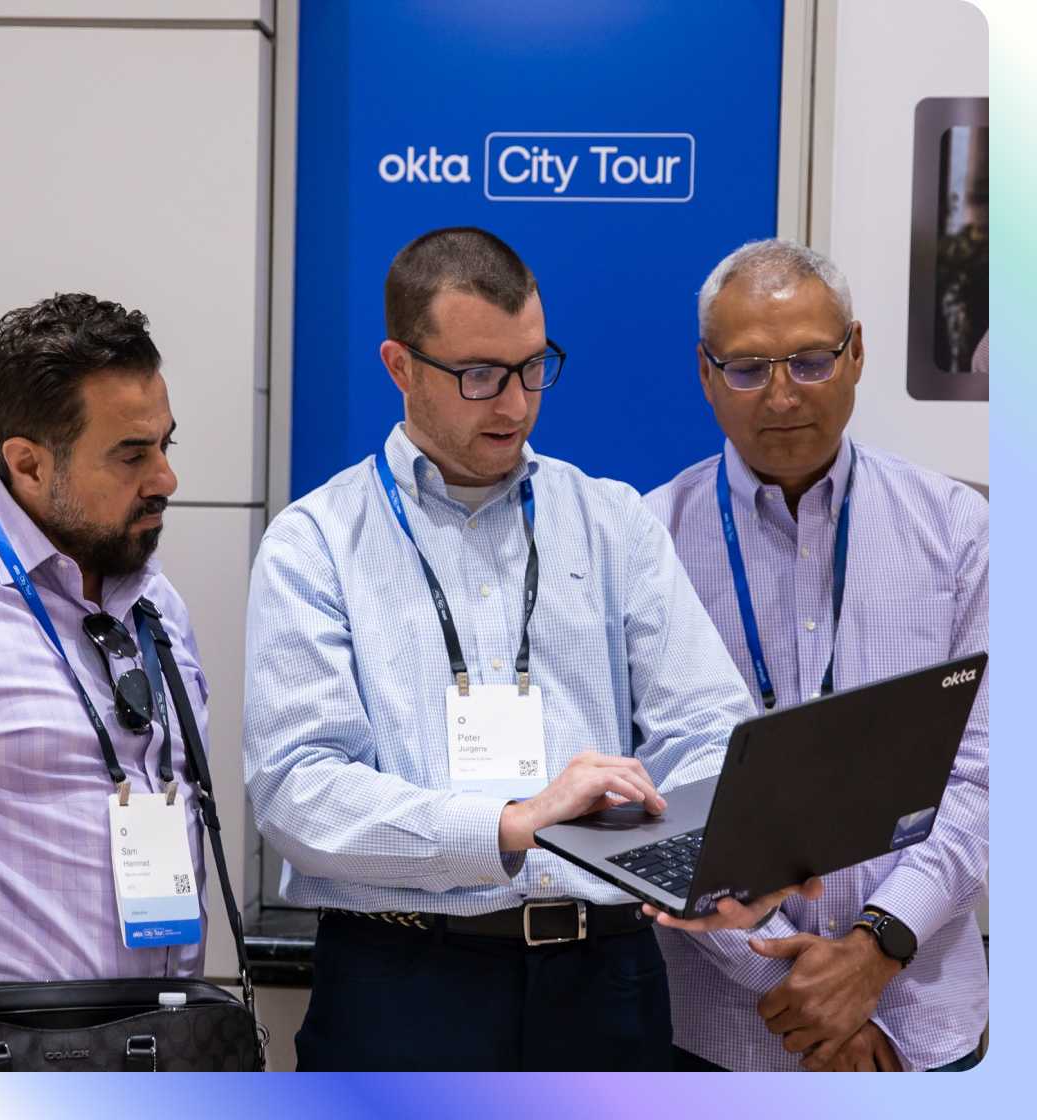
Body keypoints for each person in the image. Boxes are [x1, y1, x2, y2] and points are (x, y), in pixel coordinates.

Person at [243, 226, 819, 1072]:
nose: (514, 404)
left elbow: (708, 729)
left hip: (605, 979)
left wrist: (726, 855)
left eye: (531, 366)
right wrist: (513, 825)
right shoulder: (316, 543)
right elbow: (301, 790)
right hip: (403, 982)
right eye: (478, 376)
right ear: (400, 367)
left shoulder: (611, 520)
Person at [644, 239, 988, 1072]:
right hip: (720, 1024)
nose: (782, 395)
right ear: (705, 372)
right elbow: (649, 796)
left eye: (808, 361)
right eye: (748, 368)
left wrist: (875, 949)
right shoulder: (649, 542)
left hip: (923, 1016)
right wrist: (789, 981)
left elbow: (990, 769)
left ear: (857, 353)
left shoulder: (957, 531)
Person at [0, 294, 210, 985]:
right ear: (28, 465)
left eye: (165, 444)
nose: (165, 479)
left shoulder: (155, 603)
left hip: (161, 1047)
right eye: (132, 455)